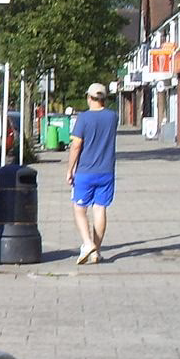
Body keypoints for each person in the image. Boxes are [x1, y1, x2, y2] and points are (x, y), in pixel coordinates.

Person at [66, 82, 119, 264]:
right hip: (106, 171)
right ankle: (96, 251)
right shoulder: (113, 117)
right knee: (100, 208)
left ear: (89, 97)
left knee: (79, 208)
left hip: (85, 171)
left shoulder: (83, 118)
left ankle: (88, 243)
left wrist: (70, 169)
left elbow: (76, 145)